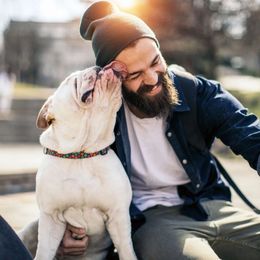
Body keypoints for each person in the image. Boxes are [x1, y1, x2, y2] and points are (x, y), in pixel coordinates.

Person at [19, 1, 260, 259]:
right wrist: (68, 229)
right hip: (152, 221)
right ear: (114, 77)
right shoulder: (99, 120)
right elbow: (69, 178)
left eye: (156, 61)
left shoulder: (198, 92)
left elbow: (251, 136)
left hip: (214, 206)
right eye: (135, 75)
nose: (153, 79)